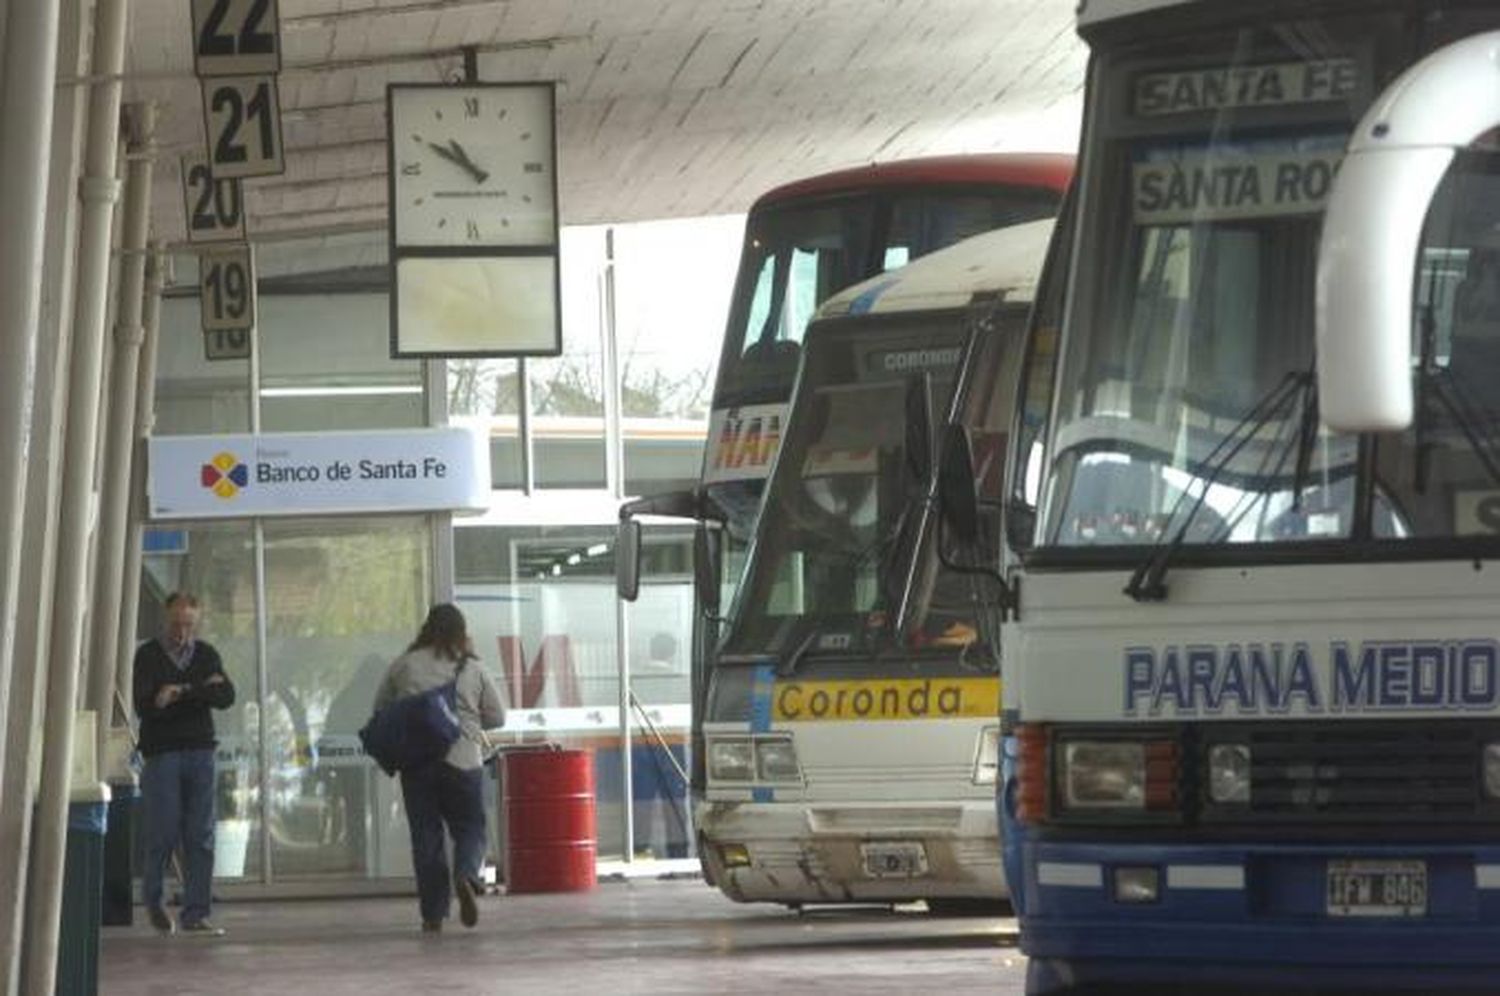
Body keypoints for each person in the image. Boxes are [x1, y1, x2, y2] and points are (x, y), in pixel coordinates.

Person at [374, 603, 505, 933]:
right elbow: (498, 716)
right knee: (470, 827)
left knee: (426, 837)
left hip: (417, 763)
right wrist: (469, 721)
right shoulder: (472, 667)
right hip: (463, 759)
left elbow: (382, 710)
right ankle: (466, 874)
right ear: (461, 632)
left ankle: (433, 914)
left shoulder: (404, 665)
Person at [132, 591, 236, 937]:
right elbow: (146, 706)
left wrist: (179, 691)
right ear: (166, 618)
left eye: (189, 625)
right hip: (162, 755)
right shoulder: (147, 655)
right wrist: (199, 691)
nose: (182, 632)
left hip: (200, 752)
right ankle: (154, 899)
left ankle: (196, 912)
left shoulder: (206, 654)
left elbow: (226, 697)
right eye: (176, 624)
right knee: (163, 831)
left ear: (197, 622)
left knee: (200, 834)